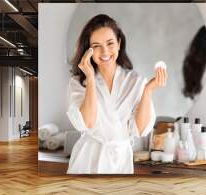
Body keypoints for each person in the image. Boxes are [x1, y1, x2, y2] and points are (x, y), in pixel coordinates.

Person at [66, 14, 167, 174]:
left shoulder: (136, 81)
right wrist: (91, 78)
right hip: (88, 159)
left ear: (119, 43)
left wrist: (147, 91)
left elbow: (139, 130)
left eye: (110, 43)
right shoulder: (79, 82)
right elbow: (87, 122)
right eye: (96, 46)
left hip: (121, 160)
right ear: (88, 50)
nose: (105, 51)